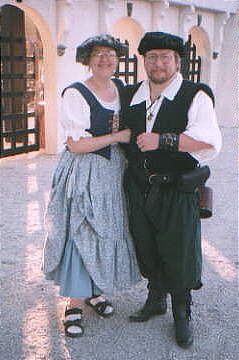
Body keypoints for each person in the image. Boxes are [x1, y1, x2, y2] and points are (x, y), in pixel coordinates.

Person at [122, 32, 222, 348]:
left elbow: (209, 142)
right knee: (147, 246)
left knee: (179, 251)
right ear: (144, 61)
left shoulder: (195, 95)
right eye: (151, 57)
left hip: (176, 188)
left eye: (165, 57)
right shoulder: (131, 95)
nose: (158, 63)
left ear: (177, 61)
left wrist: (164, 139)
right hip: (139, 187)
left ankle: (182, 311)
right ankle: (156, 300)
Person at [41, 34, 140, 338]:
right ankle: (73, 303)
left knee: (106, 229)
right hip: (86, 170)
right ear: (87, 58)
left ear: (118, 58)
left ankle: (94, 291)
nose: (105, 59)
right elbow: (76, 144)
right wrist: (116, 137)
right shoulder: (76, 93)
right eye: (97, 54)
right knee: (81, 230)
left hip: (113, 171)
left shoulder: (122, 89)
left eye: (110, 54)